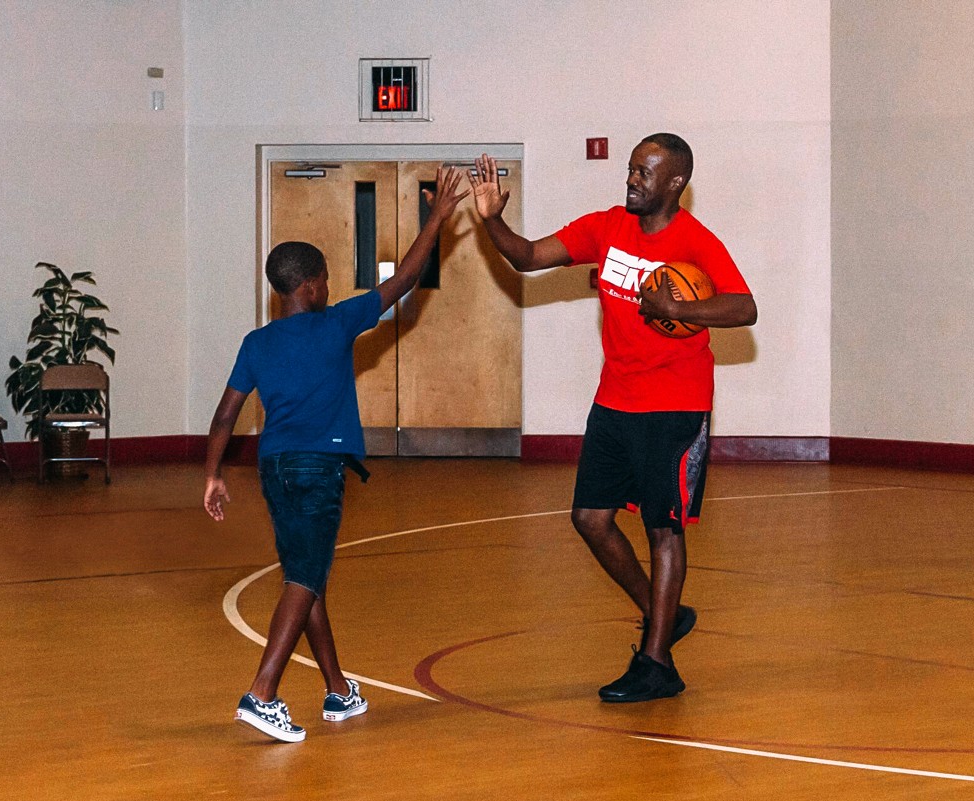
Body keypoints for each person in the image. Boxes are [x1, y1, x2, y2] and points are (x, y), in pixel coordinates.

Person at [469, 135, 757, 702]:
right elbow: (527, 258)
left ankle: (656, 664)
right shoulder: (605, 227)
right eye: (630, 170)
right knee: (589, 518)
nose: (632, 180)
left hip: (676, 405)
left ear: (675, 183)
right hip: (615, 400)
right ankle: (661, 613)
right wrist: (492, 222)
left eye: (645, 173)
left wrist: (678, 309)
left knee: (663, 529)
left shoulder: (696, 241)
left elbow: (743, 306)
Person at [205, 166, 470, 742]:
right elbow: (403, 280)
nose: (327, 287)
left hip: (273, 469)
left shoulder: (257, 342)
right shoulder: (334, 323)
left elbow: (225, 415)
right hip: (317, 468)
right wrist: (437, 217)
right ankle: (262, 693)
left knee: (308, 574)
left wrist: (213, 475)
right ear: (312, 286)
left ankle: (337, 691)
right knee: (304, 576)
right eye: (324, 279)